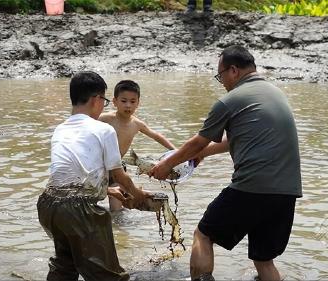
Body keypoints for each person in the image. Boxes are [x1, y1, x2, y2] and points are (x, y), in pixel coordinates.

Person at [149, 45, 302, 281]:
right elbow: (237, 139)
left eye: (220, 76)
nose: (221, 82)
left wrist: (167, 164)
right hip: (287, 192)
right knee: (263, 260)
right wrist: (203, 155)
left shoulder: (230, 100)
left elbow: (198, 141)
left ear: (233, 71)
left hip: (252, 187)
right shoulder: (275, 93)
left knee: (203, 235)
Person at [37, 71, 150, 281]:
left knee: (65, 267)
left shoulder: (60, 129)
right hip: (77, 210)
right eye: (106, 101)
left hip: (48, 205)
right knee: (108, 275)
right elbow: (120, 174)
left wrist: (106, 189)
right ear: (97, 99)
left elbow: (68, 174)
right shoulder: (103, 129)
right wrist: (138, 195)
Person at [99, 79, 176, 211]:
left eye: (132, 101)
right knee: (91, 197)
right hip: (100, 167)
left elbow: (156, 135)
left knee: (116, 210)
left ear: (138, 103)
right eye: (123, 101)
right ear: (114, 102)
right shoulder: (105, 119)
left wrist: (176, 151)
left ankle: (118, 225)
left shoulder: (137, 124)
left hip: (118, 169)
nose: (128, 105)